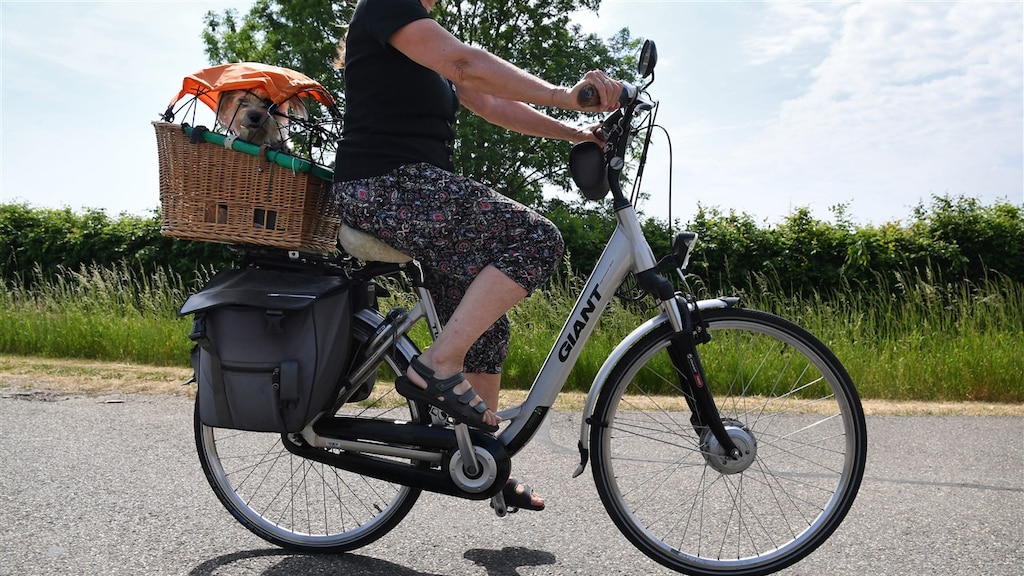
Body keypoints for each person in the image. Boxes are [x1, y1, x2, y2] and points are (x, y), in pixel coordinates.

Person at [332, 0, 622, 511]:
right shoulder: (385, 7)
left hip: (417, 192)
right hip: (381, 187)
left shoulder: (421, 39)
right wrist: (564, 95)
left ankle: (487, 463)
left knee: (486, 328)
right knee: (536, 238)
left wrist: (577, 132)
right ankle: (435, 365)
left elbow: (489, 101)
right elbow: (466, 63)